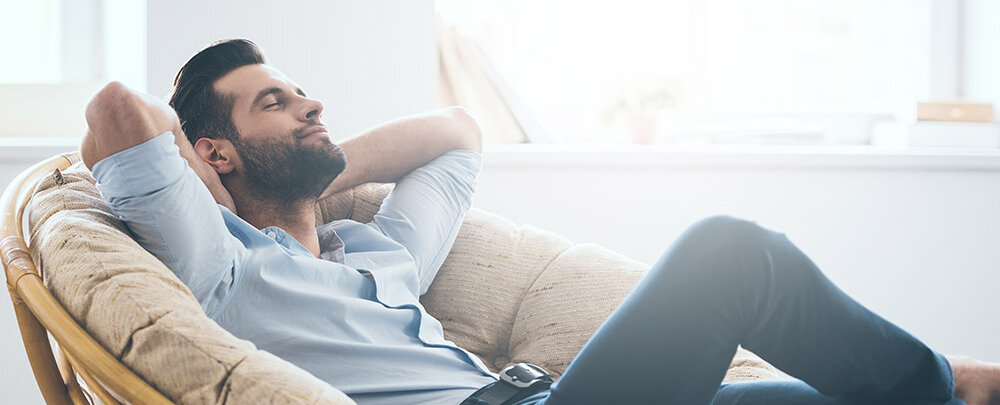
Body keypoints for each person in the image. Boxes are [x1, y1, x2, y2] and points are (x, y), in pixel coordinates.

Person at [79, 39, 1000, 405]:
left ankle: (941, 389)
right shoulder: (227, 270)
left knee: (845, 400)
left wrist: (315, 173)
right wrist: (228, 189)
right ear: (213, 154)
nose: (312, 106)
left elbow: (459, 135)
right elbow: (121, 112)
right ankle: (948, 381)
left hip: (547, 398)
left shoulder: (379, 250)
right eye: (276, 105)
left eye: (303, 93)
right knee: (731, 253)